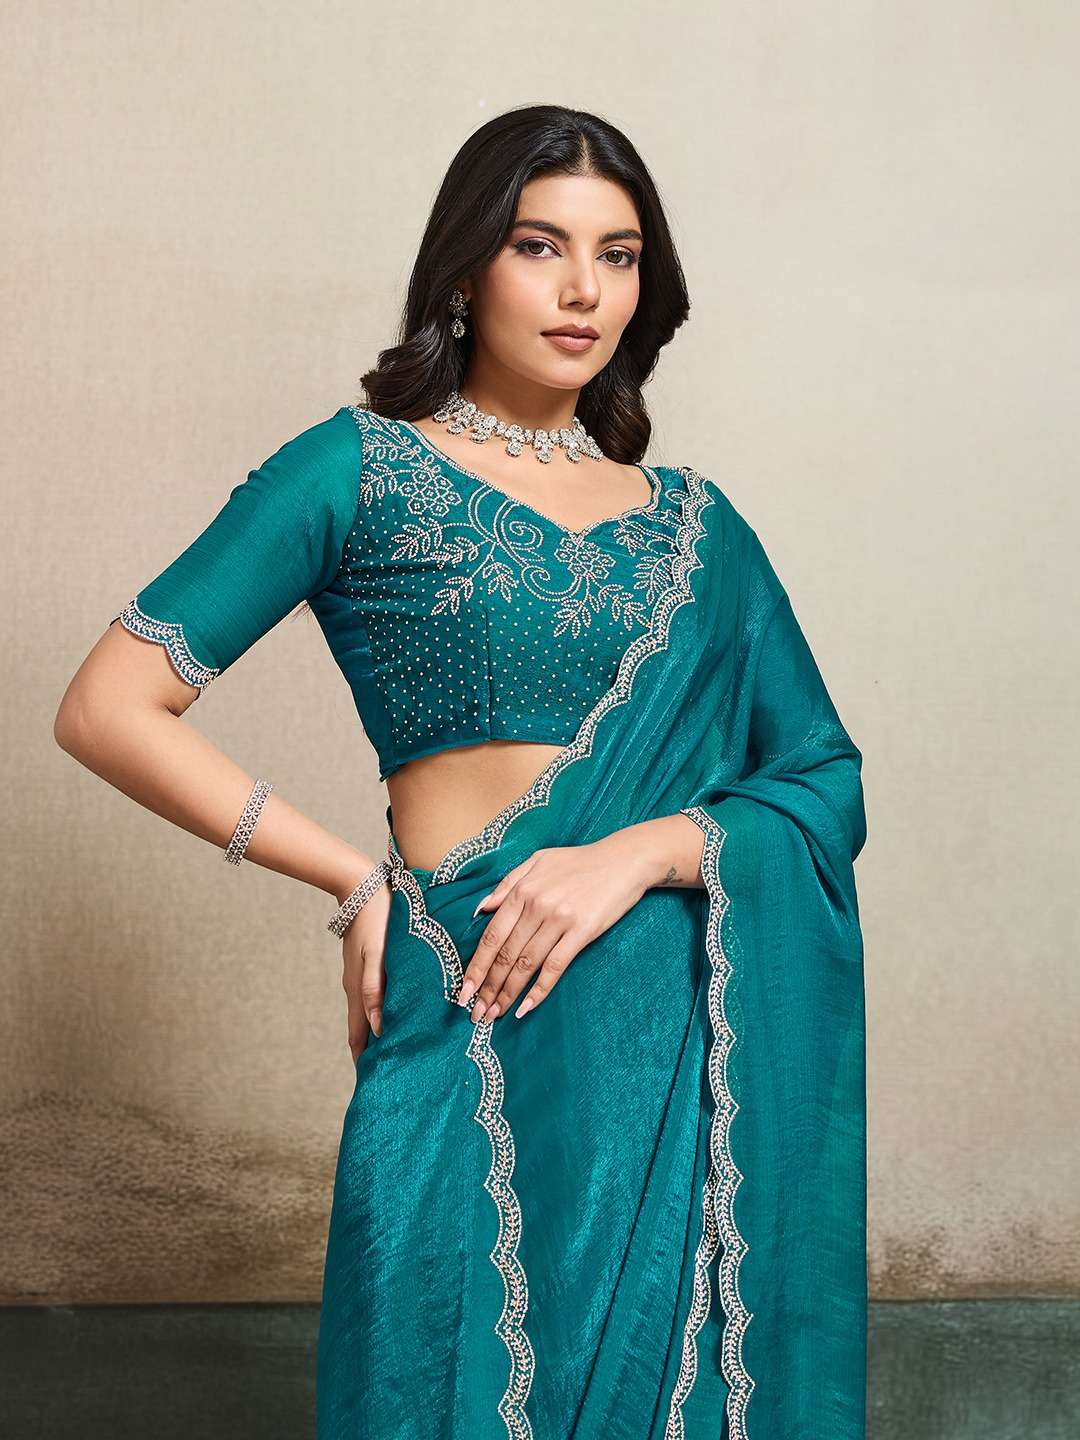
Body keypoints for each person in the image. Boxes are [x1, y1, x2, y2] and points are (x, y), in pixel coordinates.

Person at [55, 103, 869, 1440]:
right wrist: (352, 882)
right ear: (465, 267)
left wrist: (639, 853)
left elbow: (823, 781)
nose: (581, 288)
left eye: (617, 255)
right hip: (469, 1005)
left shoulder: (701, 530)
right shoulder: (358, 468)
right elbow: (107, 708)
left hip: (679, 1052)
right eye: (540, 245)